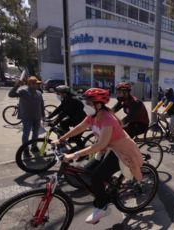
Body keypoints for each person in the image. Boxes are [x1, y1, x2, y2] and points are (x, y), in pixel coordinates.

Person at [53, 88, 143, 224]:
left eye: (89, 102)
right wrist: (61, 139)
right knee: (88, 172)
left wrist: (74, 155)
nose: (86, 105)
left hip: (120, 151)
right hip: (108, 149)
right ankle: (108, 185)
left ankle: (102, 207)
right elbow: (79, 128)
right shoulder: (93, 116)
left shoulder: (107, 119)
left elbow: (100, 145)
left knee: (96, 177)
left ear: (98, 104)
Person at [8, 76, 45, 149]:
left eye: (38, 84)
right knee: (26, 134)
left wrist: (43, 115)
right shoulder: (23, 91)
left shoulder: (39, 93)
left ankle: (34, 146)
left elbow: (41, 105)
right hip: (27, 117)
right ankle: (25, 149)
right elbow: (11, 95)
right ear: (30, 84)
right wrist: (17, 85)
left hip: (37, 117)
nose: (38, 85)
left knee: (35, 134)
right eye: (36, 84)